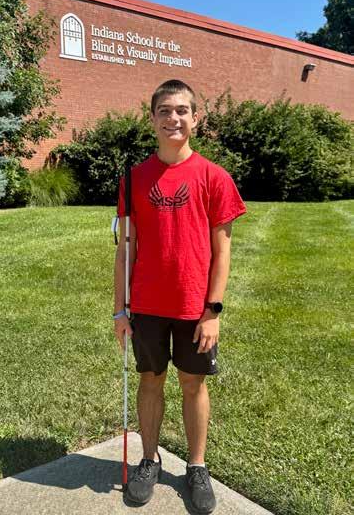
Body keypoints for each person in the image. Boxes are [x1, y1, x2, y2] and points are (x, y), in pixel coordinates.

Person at [113, 79, 246, 514]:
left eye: (182, 110)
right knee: (150, 381)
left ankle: (196, 466)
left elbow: (223, 252)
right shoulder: (133, 178)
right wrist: (119, 310)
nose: (174, 118)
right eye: (165, 111)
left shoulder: (214, 177)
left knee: (193, 383)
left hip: (194, 307)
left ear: (196, 118)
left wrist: (213, 310)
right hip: (147, 305)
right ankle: (149, 460)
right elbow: (125, 250)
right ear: (152, 118)